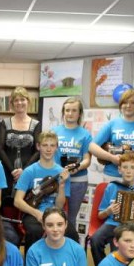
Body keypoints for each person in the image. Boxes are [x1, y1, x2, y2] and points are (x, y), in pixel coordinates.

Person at [14, 131, 79, 255]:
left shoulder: (62, 172)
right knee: (34, 232)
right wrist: (36, 213)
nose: (48, 149)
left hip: (54, 213)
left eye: (52, 145)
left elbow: (59, 206)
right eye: (45, 145)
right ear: (38, 146)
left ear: (56, 147)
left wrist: (62, 185)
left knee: (72, 234)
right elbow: (17, 200)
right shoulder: (29, 171)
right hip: (33, 213)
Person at [90, 152, 134, 266]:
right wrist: (108, 211)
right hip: (113, 223)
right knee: (95, 239)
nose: (128, 171)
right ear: (119, 169)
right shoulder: (112, 187)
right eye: (125, 167)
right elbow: (100, 215)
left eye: (132, 168)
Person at [93, 88, 134, 183]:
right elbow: (92, 146)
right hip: (112, 176)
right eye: (125, 102)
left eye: (132, 103)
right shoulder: (112, 124)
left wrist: (133, 158)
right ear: (121, 105)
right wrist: (111, 158)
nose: (128, 106)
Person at [53, 97, 92, 230]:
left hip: (78, 181)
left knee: (70, 218)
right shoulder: (54, 131)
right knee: (56, 215)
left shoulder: (85, 134)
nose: (70, 113)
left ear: (79, 113)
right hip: (57, 179)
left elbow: (87, 159)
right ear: (63, 112)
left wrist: (77, 167)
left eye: (74, 110)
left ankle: (69, 247)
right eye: (67, 110)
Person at [0, 87, 40, 204]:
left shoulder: (36, 124)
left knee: (26, 204)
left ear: (28, 102)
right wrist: (13, 171)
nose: (19, 103)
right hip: (7, 173)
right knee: (5, 205)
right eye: (16, 100)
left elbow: (38, 151)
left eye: (22, 99)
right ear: (11, 104)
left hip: (29, 172)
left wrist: (24, 171)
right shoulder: (4, 123)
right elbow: (0, 149)